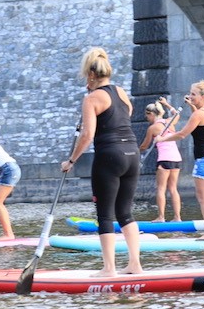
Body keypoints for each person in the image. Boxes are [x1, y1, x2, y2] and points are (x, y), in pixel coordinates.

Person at [61, 47, 144, 275]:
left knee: (105, 214)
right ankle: (135, 264)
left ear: (90, 75)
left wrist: (71, 160)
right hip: (132, 153)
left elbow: (88, 135)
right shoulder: (121, 92)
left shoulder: (92, 98)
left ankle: (109, 268)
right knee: (125, 212)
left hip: (109, 156)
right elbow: (126, 112)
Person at [156, 80, 204, 241]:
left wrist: (162, 139)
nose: (190, 96)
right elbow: (199, 123)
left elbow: (181, 134)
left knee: (203, 198)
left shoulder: (198, 114)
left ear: (202, 96)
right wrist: (192, 106)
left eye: (193, 94)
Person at [138, 100, 182, 222]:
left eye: (147, 115)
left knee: (161, 188)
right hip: (176, 159)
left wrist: (134, 152)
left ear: (151, 114)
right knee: (173, 188)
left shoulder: (152, 128)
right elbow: (177, 114)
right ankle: (177, 217)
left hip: (164, 160)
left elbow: (144, 146)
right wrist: (167, 104)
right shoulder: (169, 122)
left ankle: (161, 217)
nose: (146, 118)